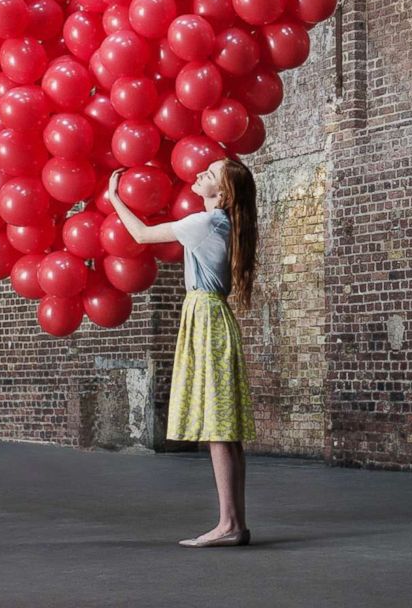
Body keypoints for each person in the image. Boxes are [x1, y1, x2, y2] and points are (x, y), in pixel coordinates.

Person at [107, 157, 258, 549]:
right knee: (224, 430)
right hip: (213, 316)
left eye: (209, 175)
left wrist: (113, 198)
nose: (199, 175)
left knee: (219, 430)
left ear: (222, 193)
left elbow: (140, 235)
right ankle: (234, 524)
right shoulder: (224, 224)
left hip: (205, 317)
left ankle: (228, 525)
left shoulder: (204, 223)